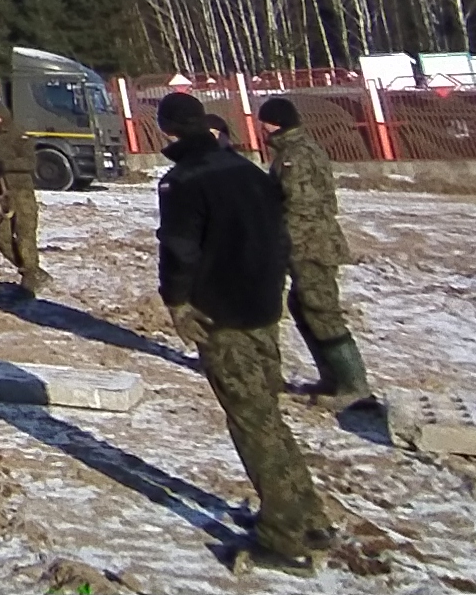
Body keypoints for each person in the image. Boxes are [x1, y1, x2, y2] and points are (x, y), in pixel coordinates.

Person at [157, 91, 329, 571]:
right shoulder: (250, 171)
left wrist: (177, 302)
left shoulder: (183, 181)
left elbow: (180, 250)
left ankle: (285, 538)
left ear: (167, 130)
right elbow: (280, 237)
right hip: (263, 311)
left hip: (222, 318)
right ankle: (308, 516)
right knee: (268, 416)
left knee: (253, 424)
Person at [258, 97, 372, 409]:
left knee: (321, 308)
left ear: (274, 123)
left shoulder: (296, 155)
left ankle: (354, 385)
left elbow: (301, 206)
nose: (261, 129)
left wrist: (281, 238)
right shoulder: (293, 151)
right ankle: (332, 378)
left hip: (310, 245)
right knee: (304, 306)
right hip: (306, 242)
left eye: (264, 122)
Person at [0, 102, 48, 296]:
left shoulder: (19, 135)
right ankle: (32, 270)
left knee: (25, 235)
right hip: (0, 194)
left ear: (4, 117)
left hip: (21, 192)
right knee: (1, 236)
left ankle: (30, 279)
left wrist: (5, 165)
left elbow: (30, 163)